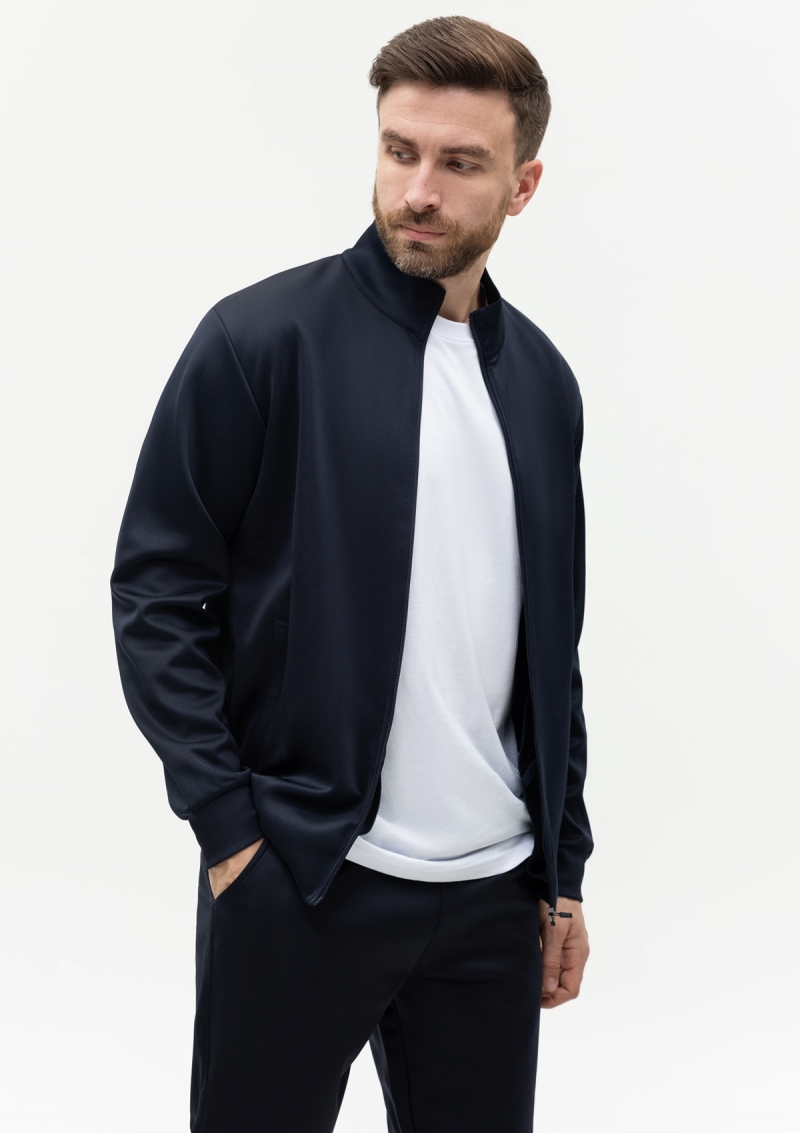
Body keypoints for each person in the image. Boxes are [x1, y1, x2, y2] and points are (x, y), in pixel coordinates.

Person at [111, 15, 593, 1133]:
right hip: (305, 876)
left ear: (522, 186)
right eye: (398, 150)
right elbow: (156, 588)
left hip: (492, 896)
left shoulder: (541, 383)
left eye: (459, 163)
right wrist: (231, 828)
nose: (418, 190)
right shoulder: (260, 339)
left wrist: (560, 870)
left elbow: (549, 648)